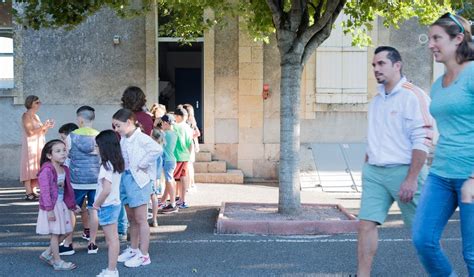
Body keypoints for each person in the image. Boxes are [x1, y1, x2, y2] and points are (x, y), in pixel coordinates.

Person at [357, 46, 433, 277]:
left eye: (381, 64)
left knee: (423, 234)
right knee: (365, 226)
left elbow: (423, 139)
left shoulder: (413, 95)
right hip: (374, 172)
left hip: (406, 172)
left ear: (397, 65)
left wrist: (411, 179)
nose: (376, 69)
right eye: (374, 65)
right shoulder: (378, 98)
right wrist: (370, 157)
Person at [412, 13, 474, 277]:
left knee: (471, 254)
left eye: (437, 37)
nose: (430, 44)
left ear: (458, 39)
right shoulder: (438, 85)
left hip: (470, 174)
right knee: (423, 239)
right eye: (430, 38)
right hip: (441, 173)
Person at [113, 108, 162, 268]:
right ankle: (134, 249)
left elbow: (157, 149)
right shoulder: (124, 138)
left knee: (140, 219)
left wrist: (142, 163)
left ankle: (144, 254)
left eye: (118, 125)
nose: (116, 129)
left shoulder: (140, 137)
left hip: (138, 181)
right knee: (131, 218)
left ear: (128, 123)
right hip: (126, 179)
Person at [60, 106, 100, 256]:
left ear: (80, 119)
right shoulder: (99, 135)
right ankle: (92, 243)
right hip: (95, 180)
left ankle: (68, 244)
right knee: (93, 210)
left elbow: (68, 156)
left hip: (76, 180)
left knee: (71, 209)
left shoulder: (72, 136)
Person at [36, 139, 80, 271]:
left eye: (64, 150)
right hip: (52, 206)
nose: (63, 153)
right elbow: (45, 191)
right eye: (58, 151)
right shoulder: (47, 170)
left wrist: (72, 205)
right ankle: (57, 262)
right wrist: (49, 210)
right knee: (55, 234)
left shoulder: (64, 169)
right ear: (49, 155)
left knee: (67, 231)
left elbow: (68, 190)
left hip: (62, 205)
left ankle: (47, 254)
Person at [93, 130, 125, 277]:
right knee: (112, 239)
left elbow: (106, 190)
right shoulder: (116, 163)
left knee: (112, 240)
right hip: (114, 204)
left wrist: (96, 205)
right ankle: (112, 269)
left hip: (107, 205)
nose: (96, 149)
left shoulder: (106, 166)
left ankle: (112, 270)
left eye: (97, 146)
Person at [20, 95, 54, 201]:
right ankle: (28, 192)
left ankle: (34, 190)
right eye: (36, 102)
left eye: (39, 102)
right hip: (30, 145)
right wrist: (43, 127)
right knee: (28, 167)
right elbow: (30, 133)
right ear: (30, 103)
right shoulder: (26, 116)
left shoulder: (36, 116)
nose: (39, 104)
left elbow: (41, 132)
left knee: (37, 166)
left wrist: (46, 127)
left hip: (39, 144)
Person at [173, 107, 193, 209]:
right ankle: (182, 199)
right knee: (182, 178)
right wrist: (188, 155)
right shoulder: (188, 128)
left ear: (178, 116)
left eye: (175, 116)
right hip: (185, 155)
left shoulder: (175, 126)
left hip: (176, 156)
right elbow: (191, 144)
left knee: (176, 179)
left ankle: (177, 200)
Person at [159, 114, 179, 214]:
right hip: (171, 160)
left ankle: (172, 203)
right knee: (169, 180)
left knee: (169, 180)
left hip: (167, 160)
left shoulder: (164, 134)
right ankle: (164, 201)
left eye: (161, 123)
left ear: (166, 123)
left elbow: (155, 138)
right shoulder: (174, 133)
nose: (161, 125)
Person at [182, 103, 201, 192]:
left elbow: (196, 133)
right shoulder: (192, 120)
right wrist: (196, 144)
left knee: (188, 165)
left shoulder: (187, 122)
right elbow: (197, 133)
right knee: (190, 166)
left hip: (187, 144)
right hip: (191, 144)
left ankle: (189, 185)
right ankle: (192, 184)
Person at [149, 128, 165, 226]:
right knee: (154, 197)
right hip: (157, 176)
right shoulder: (161, 147)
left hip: (149, 175)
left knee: (146, 198)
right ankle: (154, 219)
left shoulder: (151, 148)